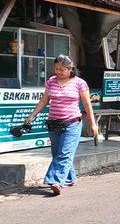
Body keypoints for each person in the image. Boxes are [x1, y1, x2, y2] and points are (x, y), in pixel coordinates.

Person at [24, 55, 98, 195]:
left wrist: (93, 124)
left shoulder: (79, 83)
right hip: (53, 124)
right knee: (58, 154)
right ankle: (70, 178)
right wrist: (32, 115)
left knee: (64, 154)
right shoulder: (51, 81)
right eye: (56, 69)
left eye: (62, 70)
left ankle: (55, 181)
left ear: (70, 69)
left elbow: (87, 105)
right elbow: (44, 100)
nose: (58, 72)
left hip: (72, 123)